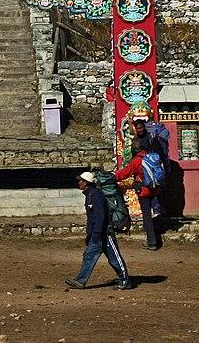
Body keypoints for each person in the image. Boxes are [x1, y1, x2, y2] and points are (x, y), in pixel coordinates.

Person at [66, 171, 133, 291]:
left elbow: (101, 216)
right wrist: (90, 234)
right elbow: (92, 219)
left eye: (80, 181)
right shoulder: (90, 195)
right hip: (97, 234)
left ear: (85, 182)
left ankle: (124, 280)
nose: (78, 183)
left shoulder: (96, 195)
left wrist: (95, 233)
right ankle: (81, 280)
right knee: (89, 256)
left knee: (114, 258)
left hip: (105, 234)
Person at [115, 113, 165, 250]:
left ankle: (152, 242)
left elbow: (124, 174)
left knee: (147, 216)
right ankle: (155, 235)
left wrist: (113, 177)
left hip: (143, 190)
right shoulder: (153, 157)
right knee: (154, 210)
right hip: (155, 187)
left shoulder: (136, 161)